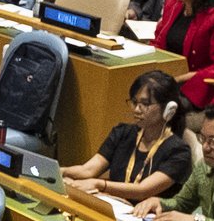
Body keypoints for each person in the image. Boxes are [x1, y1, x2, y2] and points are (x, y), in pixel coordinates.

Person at [62, 70, 192, 203]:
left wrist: (100, 185)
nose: (136, 109)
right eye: (134, 102)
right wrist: (61, 172)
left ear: (168, 108)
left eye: (145, 104)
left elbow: (143, 190)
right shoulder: (122, 133)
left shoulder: (178, 151)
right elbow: (88, 170)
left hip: (145, 217)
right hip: (113, 205)